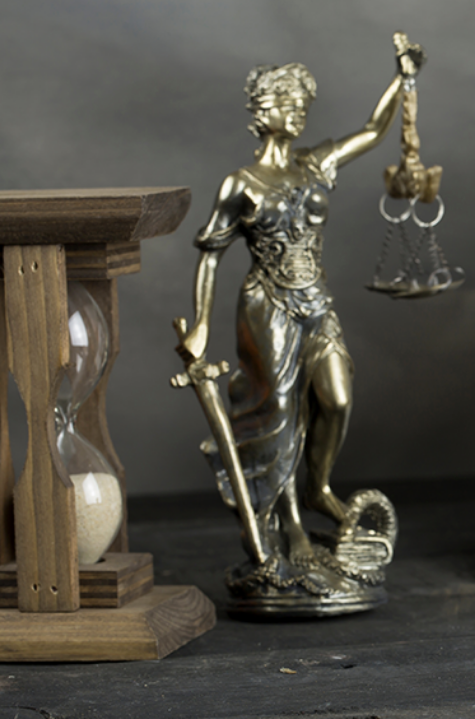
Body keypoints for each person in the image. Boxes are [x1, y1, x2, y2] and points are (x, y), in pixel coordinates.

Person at [179, 44, 419, 564]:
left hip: (316, 300)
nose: (299, 110)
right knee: (281, 410)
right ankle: (291, 527)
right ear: (264, 111)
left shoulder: (316, 164)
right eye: (288, 102)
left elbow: (373, 131)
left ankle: (319, 487)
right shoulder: (241, 184)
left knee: (335, 398)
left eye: (303, 102)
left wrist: (402, 81)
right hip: (268, 304)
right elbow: (211, 255)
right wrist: (200, 325)